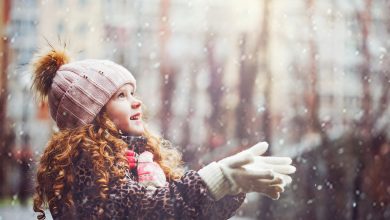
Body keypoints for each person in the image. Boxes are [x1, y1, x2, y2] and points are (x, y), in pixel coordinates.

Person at [31, 47, 296, 220]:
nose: (136, 102)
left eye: (132, 93)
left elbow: (184, 212)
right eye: (121, 96)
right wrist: (212, 180)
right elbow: (139, 208)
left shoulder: (138, 157)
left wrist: (231, 188)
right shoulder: (84, 160)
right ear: (94, 113)